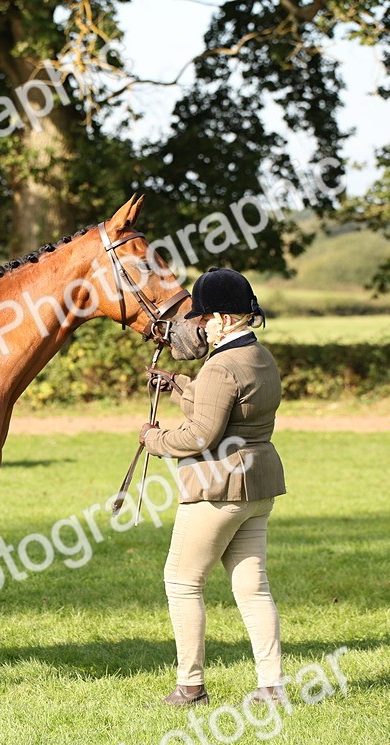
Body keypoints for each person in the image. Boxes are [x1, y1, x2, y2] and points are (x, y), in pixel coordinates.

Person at [139, 268, 287, 707]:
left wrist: (155, 440)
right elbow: (228, 408)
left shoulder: (222, 364)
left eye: (204, 319)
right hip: (257, 486)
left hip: (218, 486)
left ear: (222, 318)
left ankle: (190, 686)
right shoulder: (259, 356)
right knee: (252, 587)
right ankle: (272, 685)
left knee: (182, 581)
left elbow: (201, 434)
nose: (199, 326)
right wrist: (182, 385)